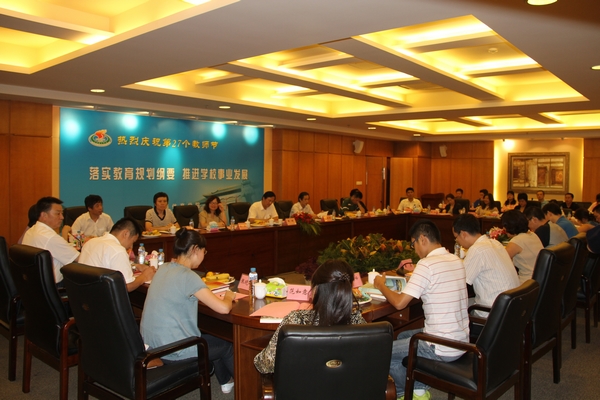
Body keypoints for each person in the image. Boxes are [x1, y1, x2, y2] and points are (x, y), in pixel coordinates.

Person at [374, 219, 468, 399]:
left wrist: (380, 285)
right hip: (461, 341)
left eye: (413, 243)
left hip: (439, 346)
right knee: (403, 335)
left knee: (381, 352)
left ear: (423, 239)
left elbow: (399, 304)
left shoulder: (426, 264)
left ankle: (406, 393)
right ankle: (418, 387)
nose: (414, 249)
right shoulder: (455, 259)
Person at [140, 229, 236, 394]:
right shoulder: (188, 276)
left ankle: (225, 381)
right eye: (204, 251)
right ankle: (249, 389)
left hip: (150, 346)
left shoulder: (164, 268)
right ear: (195, 249)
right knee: (226, 345)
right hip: (173, 351)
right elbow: (224, 308)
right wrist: (229, 296)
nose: (204, 256)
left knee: (213, 338)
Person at [254, 260, 365, 374]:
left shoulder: (296, 320)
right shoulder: (360, 324)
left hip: (302, 385)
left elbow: (263, 365)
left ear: (316, 290)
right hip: (349, 385)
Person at [452, 214, 520, 316]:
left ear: (463, 234)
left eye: (456, 237)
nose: (457, 241)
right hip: (511, 308)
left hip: (493, 312)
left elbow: (459, 282)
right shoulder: (495, 243)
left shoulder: (477, 249)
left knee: (454, 306)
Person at [79, 217, 155, 292]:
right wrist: (144, 277)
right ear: (126, 234)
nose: (131, 246)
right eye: (132, 241)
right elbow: (127, 286)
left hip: (83, 294)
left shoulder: (90, 242)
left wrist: (135, 266)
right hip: (102, 296)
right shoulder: (118, 250)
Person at [22, 196, 80, 284]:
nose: (62, 217)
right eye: (58, 213)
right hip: (55, 285)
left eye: (62, 213)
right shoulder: (50, 237)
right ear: (44, 215)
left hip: (34, 283)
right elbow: (80, 259)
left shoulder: (31, 230)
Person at [501, 210, 543, 283]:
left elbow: (500, 260)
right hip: (539, 278)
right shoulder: (532, 234)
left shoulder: (517, 241)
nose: (503, 229)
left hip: (527, 282)